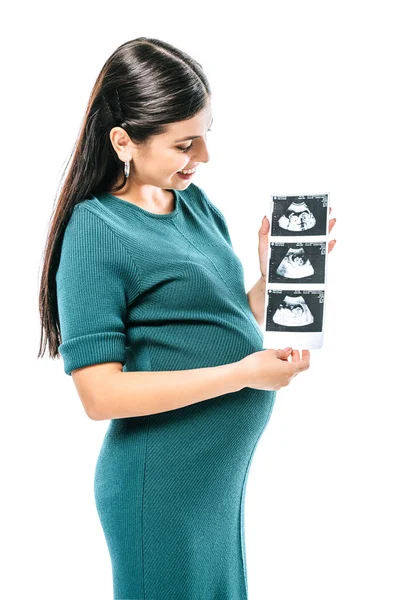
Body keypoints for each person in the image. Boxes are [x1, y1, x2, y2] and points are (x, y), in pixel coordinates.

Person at [37, 37, 336, 600]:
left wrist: (275, 276)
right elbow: (99, 395)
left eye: (206, 135)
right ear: (124, 142)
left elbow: (223, 319)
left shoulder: (194, 204)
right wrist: (242, 376)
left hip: (213, 484)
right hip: (161, 488)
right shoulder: (96, 229)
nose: (203, 157)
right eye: (184, 144)